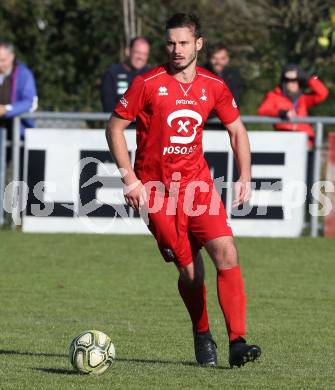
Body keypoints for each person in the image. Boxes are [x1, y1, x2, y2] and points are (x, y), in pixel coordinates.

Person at [106, 13, 261, 368]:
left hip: (198, 186)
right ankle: (202, 331)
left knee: (227, 252)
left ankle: (238, 341)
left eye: (184, 43)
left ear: (199, 44)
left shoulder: (214, 85)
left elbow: (237, 130)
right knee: (191, 273)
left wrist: (245, 175)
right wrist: (129, 178)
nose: (176, 50)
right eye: (171, 43)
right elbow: (114, 127)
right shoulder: (148, 82)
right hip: (157, 191)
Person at [257, 64, 328, 148]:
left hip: (305, 140)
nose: (293, 84)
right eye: (290, 81)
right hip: (285, 140)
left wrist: (307, 78)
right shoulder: (273, 96)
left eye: (296, 81)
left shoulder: (303, 98)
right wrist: (281, 113)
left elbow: (323, 93)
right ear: (284, 83)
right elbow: (262, 111)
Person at [101, 37, 150, 113]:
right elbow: (108, 106)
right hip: (119, 122)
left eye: (145, 54)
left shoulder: (151, 75)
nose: (141, 57)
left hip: (144, 124)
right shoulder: (112, 73)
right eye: (137, 52)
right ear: (128, 51)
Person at [0, 41, 38, 138]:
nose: (0, 64)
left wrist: (6, 110)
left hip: (18, 132)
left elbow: (30, 102)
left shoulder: (24, 74)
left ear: (11, 57)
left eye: (2, 60)